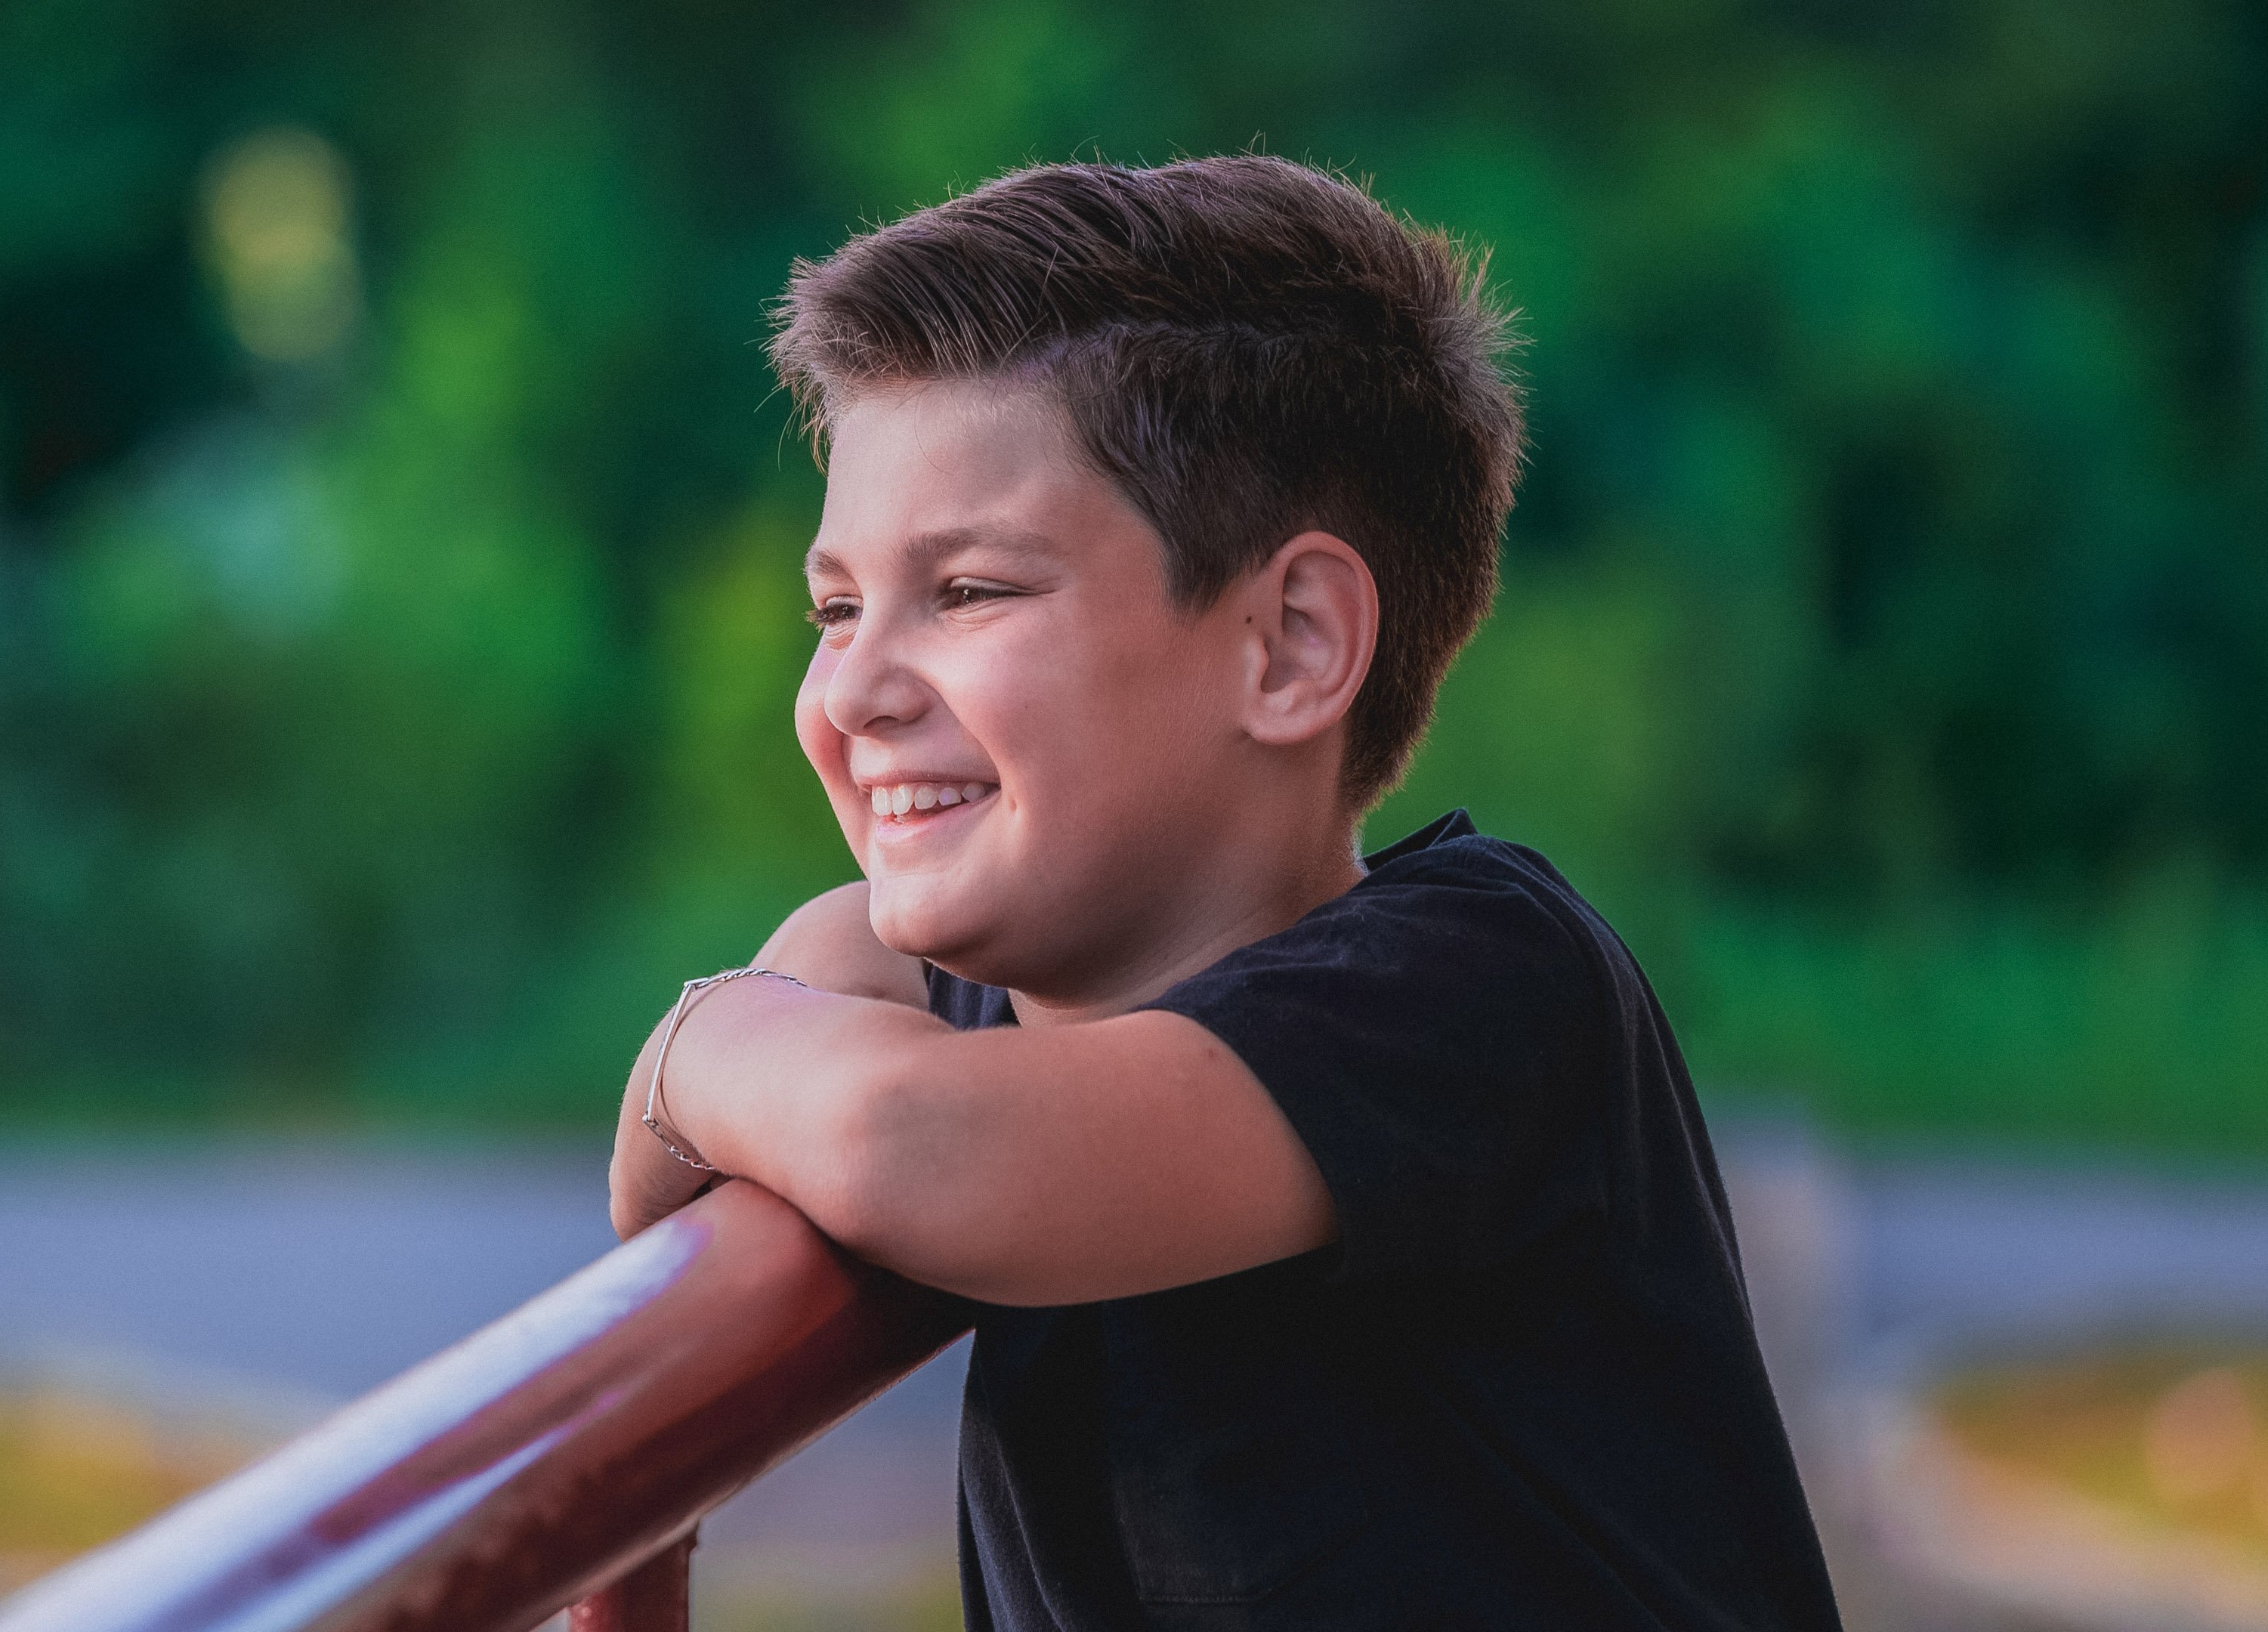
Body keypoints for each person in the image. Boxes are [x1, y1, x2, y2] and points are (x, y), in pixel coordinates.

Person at [607, 154, 1843, 1631]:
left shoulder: (1474, 989)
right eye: (837, 607)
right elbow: (779, 1037)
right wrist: (766, 1018)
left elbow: (894, 1143)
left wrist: (694, 1044)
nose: (854, 687)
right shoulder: (1008, 1025)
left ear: (1292, 646)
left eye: (971, 591)